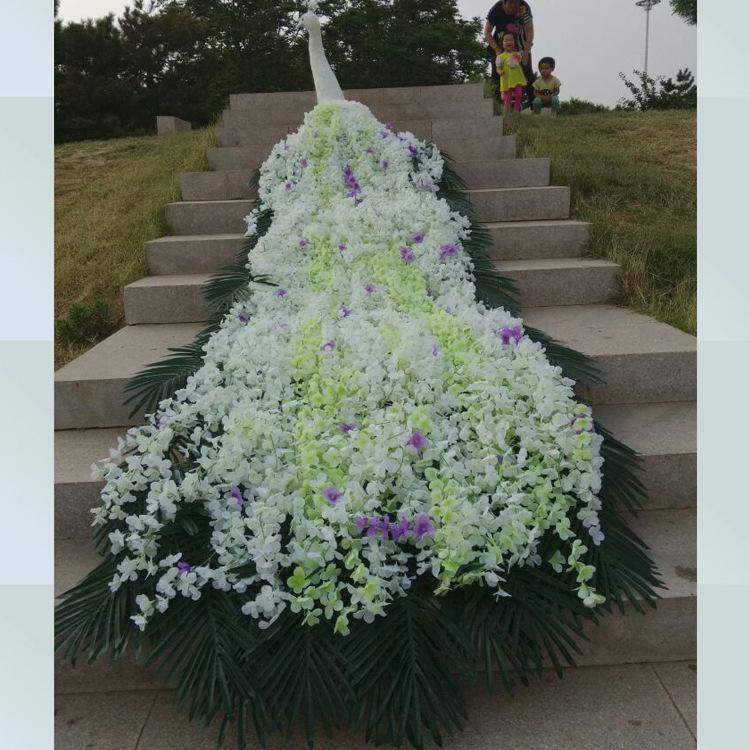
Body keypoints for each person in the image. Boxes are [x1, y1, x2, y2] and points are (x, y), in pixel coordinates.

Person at [485, 0, 535, 106]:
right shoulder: (496, 9)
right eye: (511, 3)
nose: (514, 7)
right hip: (499, 46)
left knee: (527, 74)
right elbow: (487, 32)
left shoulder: (524, 7)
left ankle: (533, 105)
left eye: (517, 3)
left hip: (519, 47)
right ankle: (497, 106)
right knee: (497, 75)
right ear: (504, 2)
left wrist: (526, 52)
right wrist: (497, 50)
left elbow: (530, 30)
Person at [496, 33, 527, 112]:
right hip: (507, 79)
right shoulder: (500, 57)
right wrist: (500, 71)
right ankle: (508, 112)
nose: (508, 42)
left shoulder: (517, 54)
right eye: (506, 40)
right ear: (502, 43)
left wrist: (527, 47)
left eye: (511, 40)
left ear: (514, 42)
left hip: (517, 79)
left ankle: (517, 111)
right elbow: (498, 68)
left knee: (519, 94)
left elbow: (521, 61)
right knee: (508, 98)